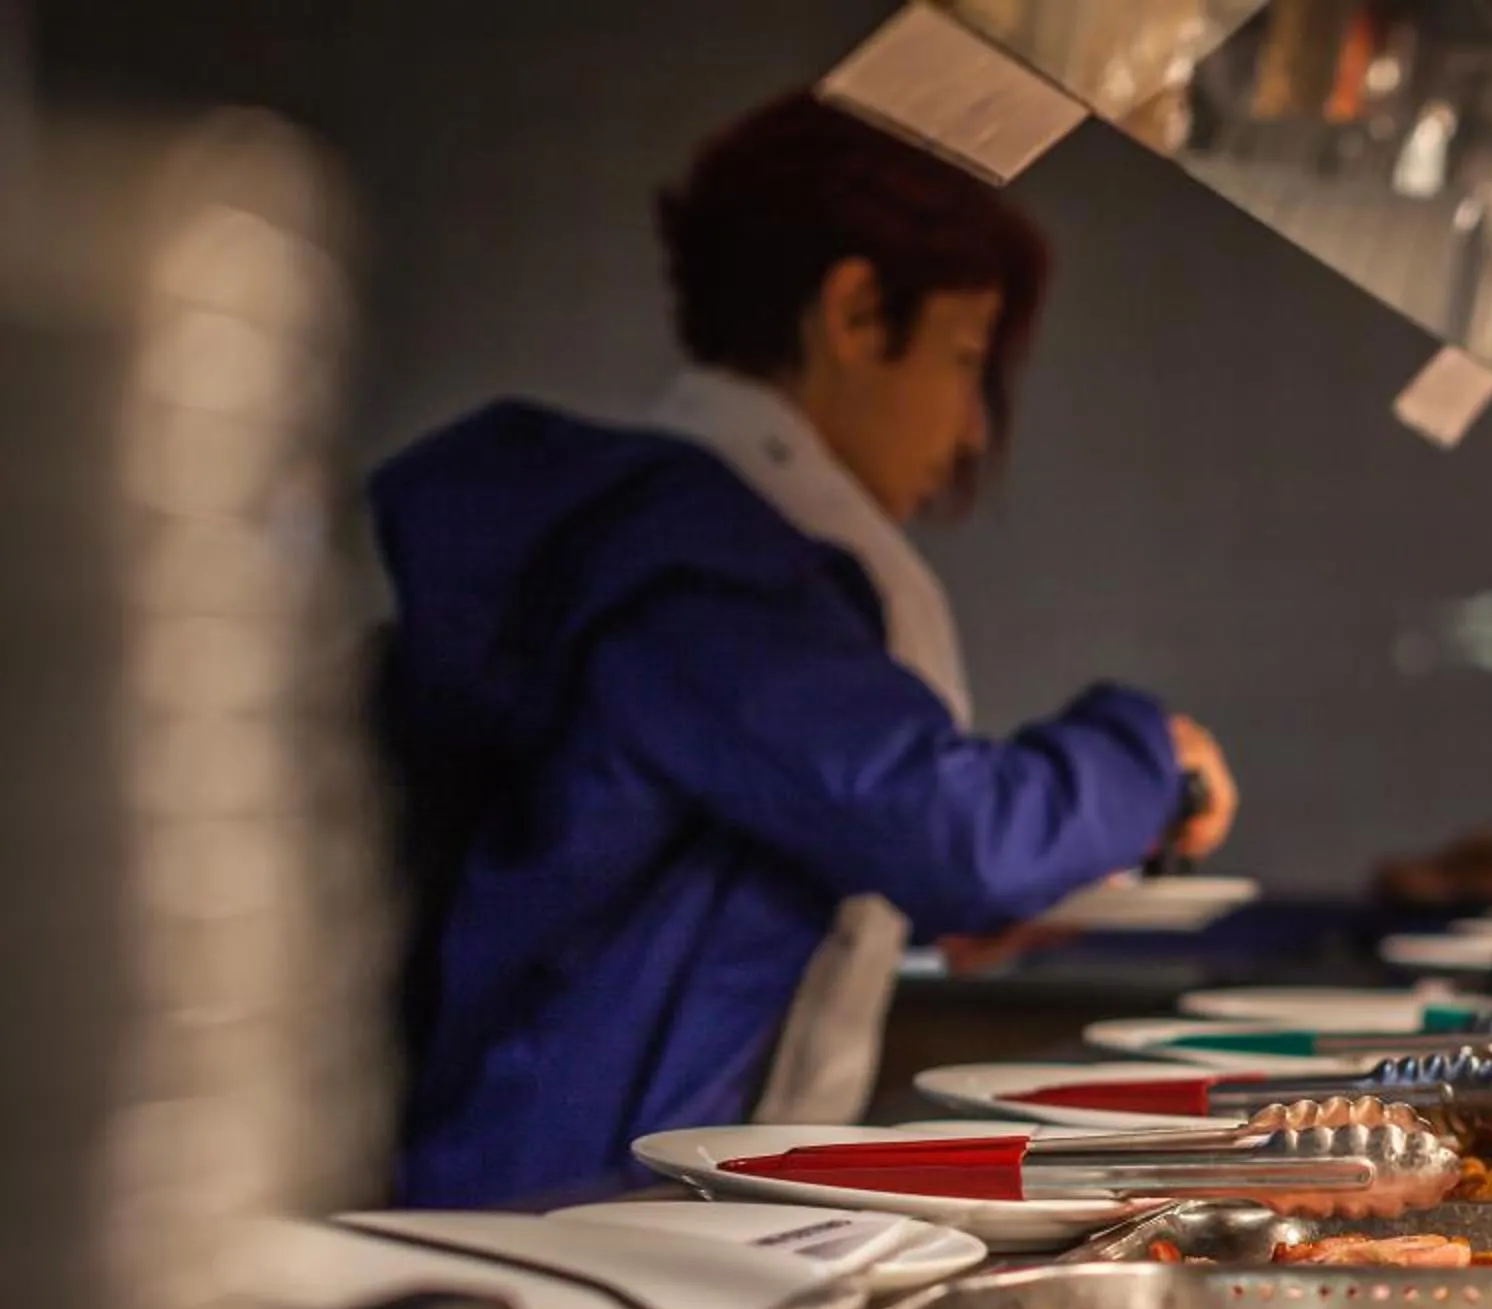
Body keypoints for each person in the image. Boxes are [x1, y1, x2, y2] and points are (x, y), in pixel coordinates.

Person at [366, 93, 1235, 1208]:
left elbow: (707, 870)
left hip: (585, 1210)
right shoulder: (695, 569)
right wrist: (1151, 749)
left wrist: (970, 902)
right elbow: (957, 830)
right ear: (857, 311)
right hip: (566, 1232)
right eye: (966, 357)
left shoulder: (664, 548)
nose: (973, 428)